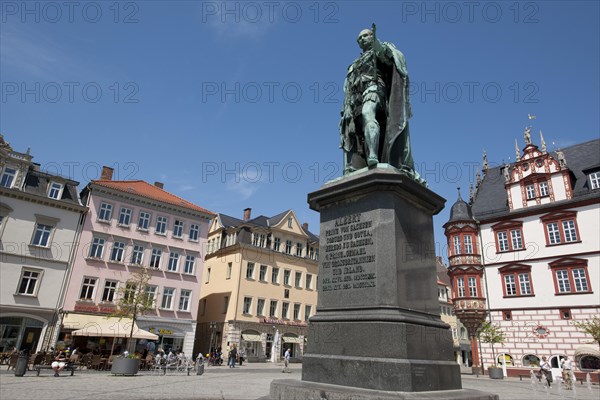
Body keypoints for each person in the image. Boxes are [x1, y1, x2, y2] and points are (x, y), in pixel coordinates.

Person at [340, 24, 422, 183]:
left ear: (372, 37)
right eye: (360, 38)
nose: (363, 39)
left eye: (366, 35)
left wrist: (377, 42)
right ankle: (355, 164)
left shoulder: (379, 51)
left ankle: (373, 156)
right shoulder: (354, 64)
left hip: (374, 90)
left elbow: (386, 56)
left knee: (368, 113)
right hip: (355, 102)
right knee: (355, 133)